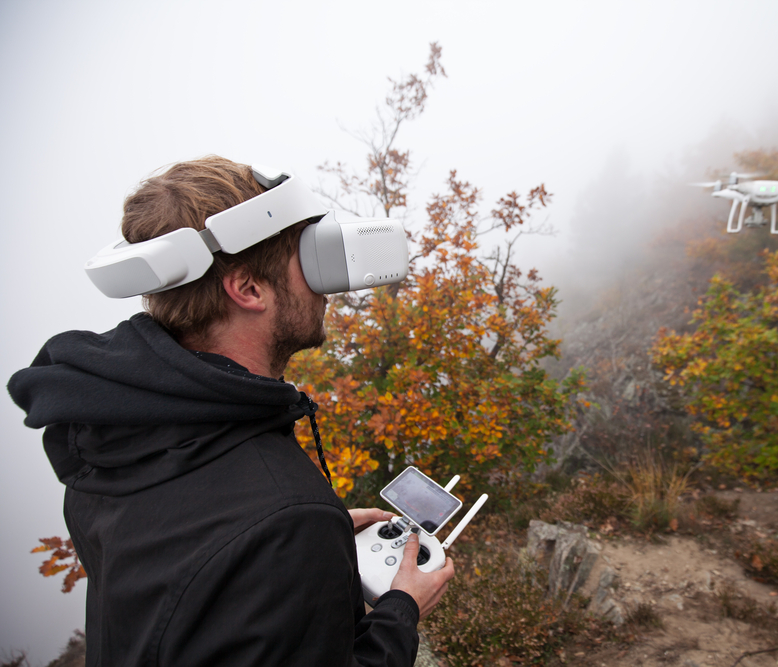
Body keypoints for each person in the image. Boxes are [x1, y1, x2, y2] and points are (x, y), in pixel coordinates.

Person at [7, 155, 454, 666]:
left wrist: (305, 554)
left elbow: (184, 576)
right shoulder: (283, 515)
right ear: (247, 289)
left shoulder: (112, 437)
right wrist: (399, 609)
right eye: (306, 256)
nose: (327, 285)